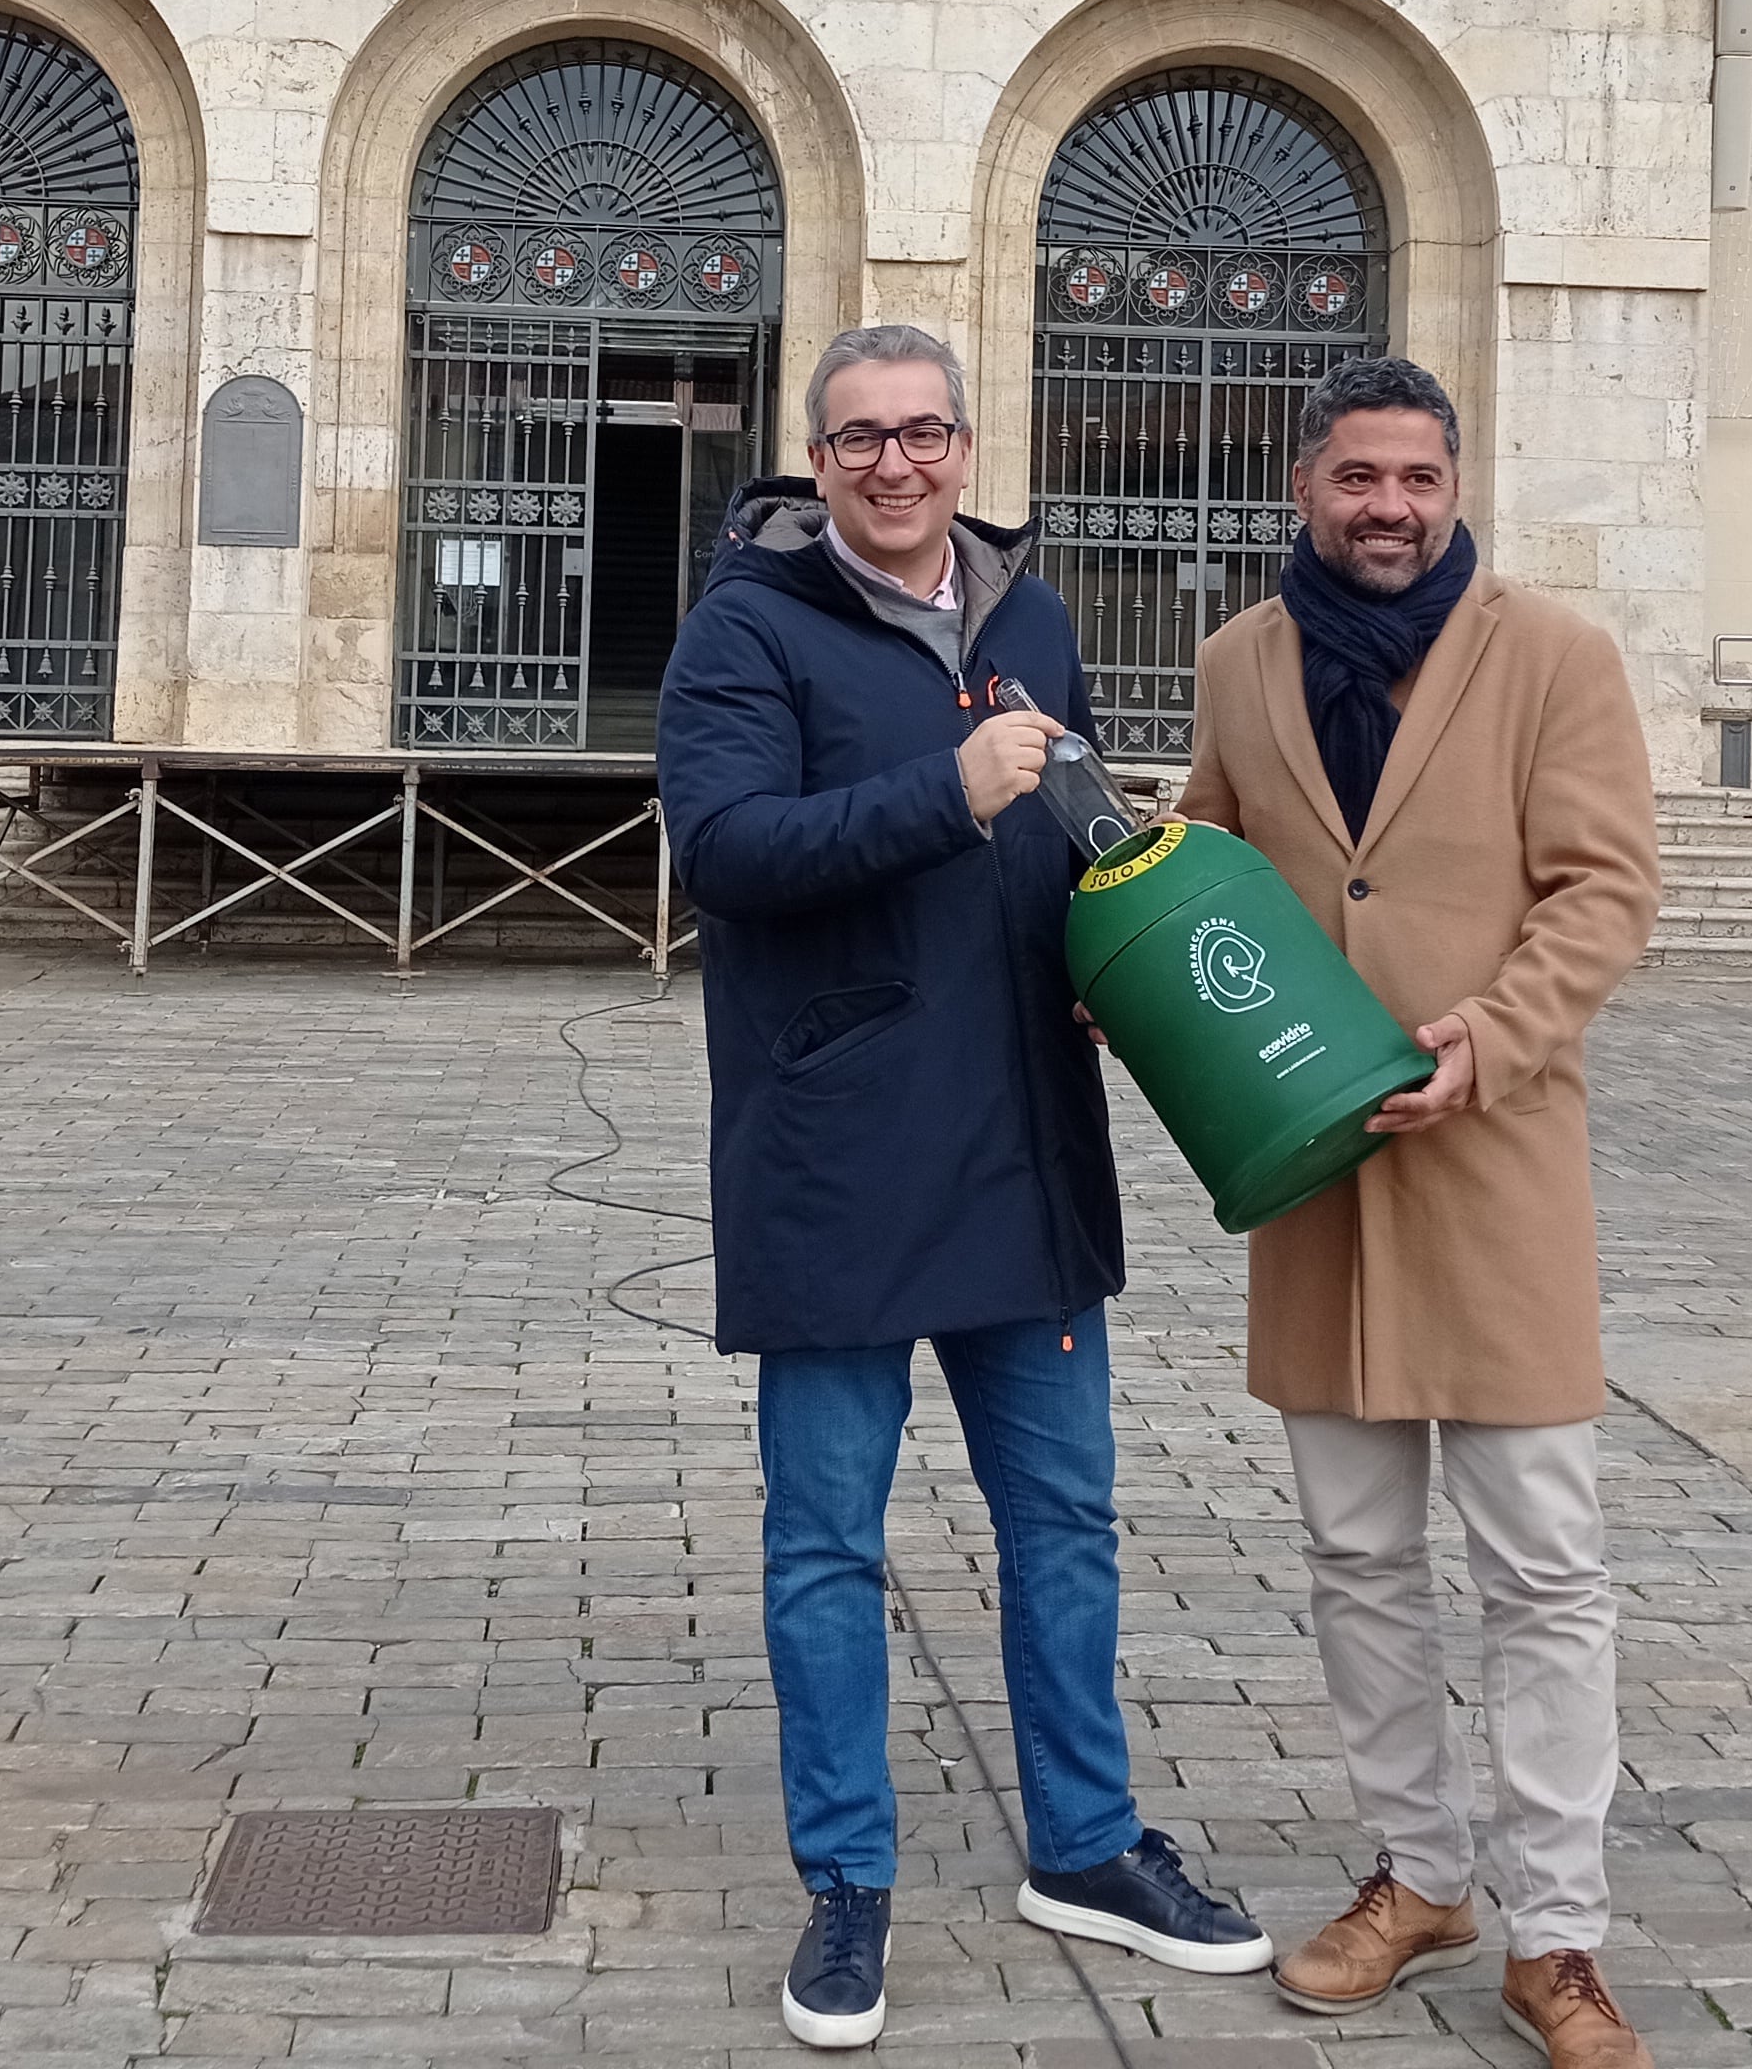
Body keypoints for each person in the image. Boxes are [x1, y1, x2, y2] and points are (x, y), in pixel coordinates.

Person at [656, 321, 1274, 2053]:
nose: (897, 464)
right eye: (861, 439)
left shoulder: (1032, 617)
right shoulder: (743, 631)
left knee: (1064, 1526)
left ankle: (1085, 1846)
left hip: (1023, 1139)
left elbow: (1048, 830)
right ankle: (847, 1887)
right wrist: (944, 787)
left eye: (924, 433)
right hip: (839, 1151)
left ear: (966, 443)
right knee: (825, 1547)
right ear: (819, 457)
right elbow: (726, 854)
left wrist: (1113, 929)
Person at [1177, 353, 1666, 2069]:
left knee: (1545, 1564)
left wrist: (1495, 1042)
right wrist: (1150, 994)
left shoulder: (1555, 658)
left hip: (1497, 1168)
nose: (1389, 507)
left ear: (1456, 488)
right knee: (1355, 1556)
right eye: (1358, 478)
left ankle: (1562, 1933)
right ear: (1305, 486)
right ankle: (1418, 1872)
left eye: (1419, 480)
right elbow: (1205, 865)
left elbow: (1606, 891)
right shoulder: (1241, 661)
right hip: (1317, 1184)